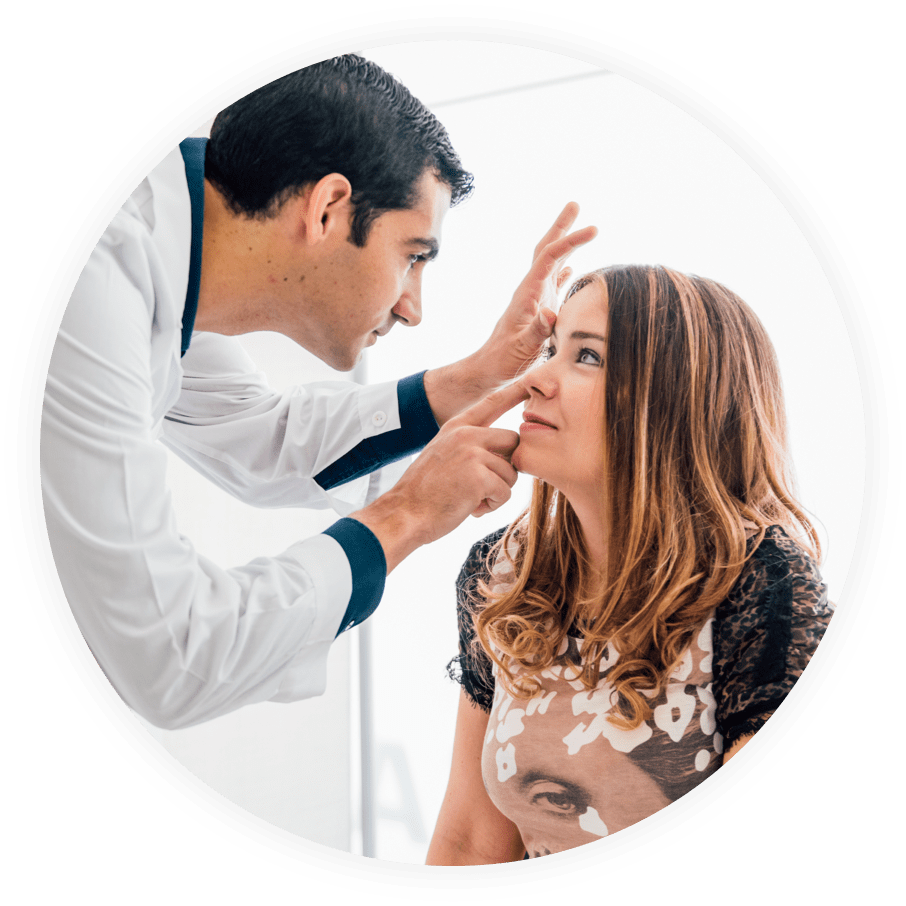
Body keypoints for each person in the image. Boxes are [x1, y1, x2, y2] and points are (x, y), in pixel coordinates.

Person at [40, 54, 595, 730]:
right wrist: (406, 517)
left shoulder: (163, 252)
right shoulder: (90, 283)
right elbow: (170, 654)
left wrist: (481, 376)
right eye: (413, 256)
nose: (412, 307)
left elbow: (261, 439)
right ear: (329, 207)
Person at [427, 264, 834, 862]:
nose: (536, 378)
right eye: (550, 349)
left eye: (586, 357)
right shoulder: (500, 573)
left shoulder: (764, 584)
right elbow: (469, 842)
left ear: (673, 397)